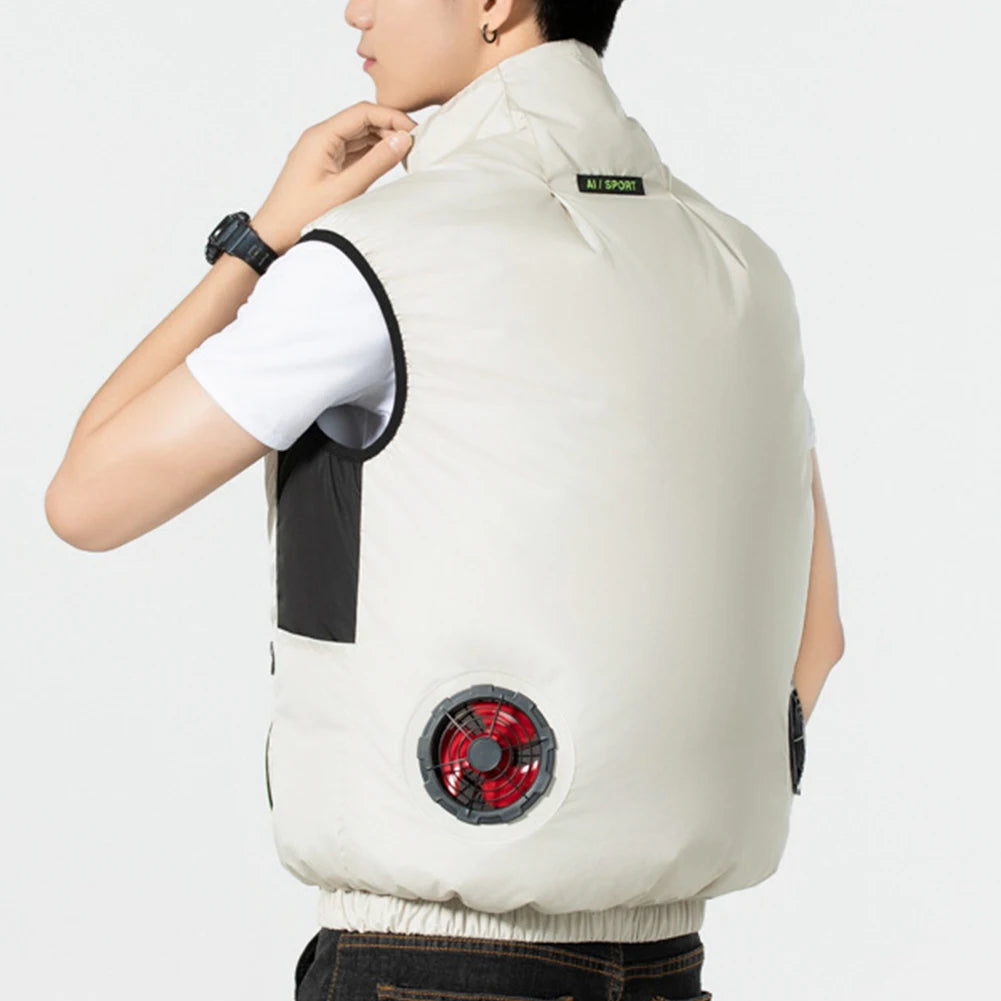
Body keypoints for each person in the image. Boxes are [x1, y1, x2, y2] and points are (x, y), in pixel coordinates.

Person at [44, 1, 845, 998]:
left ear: (496, 4)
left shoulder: (377, 259)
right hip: (667, 961)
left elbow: (88, 497)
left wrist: (261, 239)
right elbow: (815, 636)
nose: (355, 8)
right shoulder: (738, 263)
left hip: (426, 958)